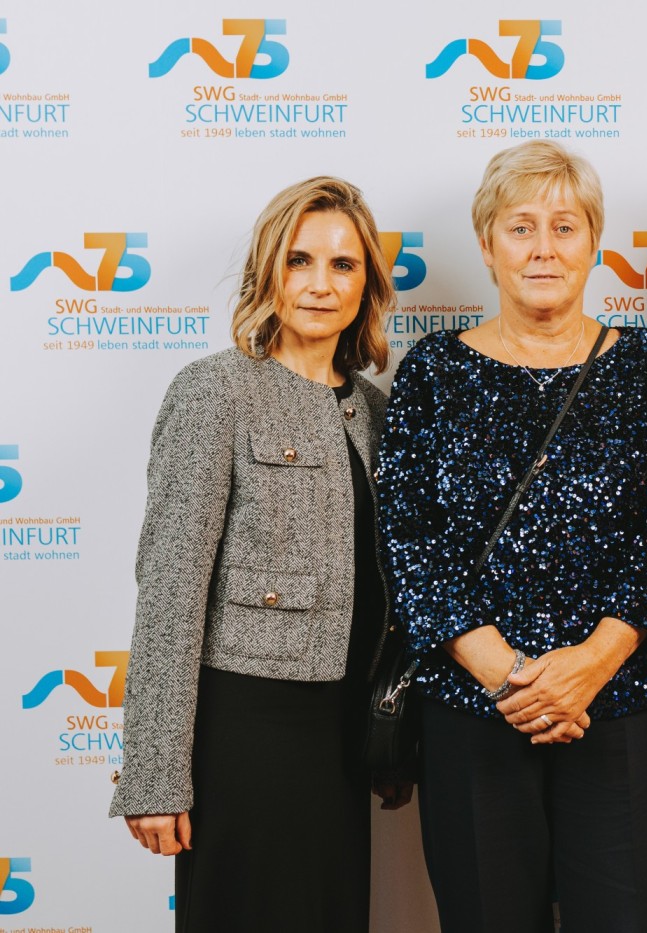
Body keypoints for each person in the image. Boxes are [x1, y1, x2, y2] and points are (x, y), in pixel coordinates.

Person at [376, 140, 647, 933]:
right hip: (473, 708)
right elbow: (409, 545)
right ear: (487, 245)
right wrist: (512, 677)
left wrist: (591, 665)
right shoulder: (431, 373)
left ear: (595, 242)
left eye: (565, 226)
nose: (544, 248)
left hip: (612, 706)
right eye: (521, 227)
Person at [109, 176, 405, 933]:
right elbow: (170, 587)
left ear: (368, 283)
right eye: (299, 260)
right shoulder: (215, 392)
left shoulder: (375, 410)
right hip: (244, 729)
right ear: (267, 271)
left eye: (343, 264)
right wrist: (154, 774)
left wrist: (393, 737)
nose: (319, 284)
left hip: (342, 735)